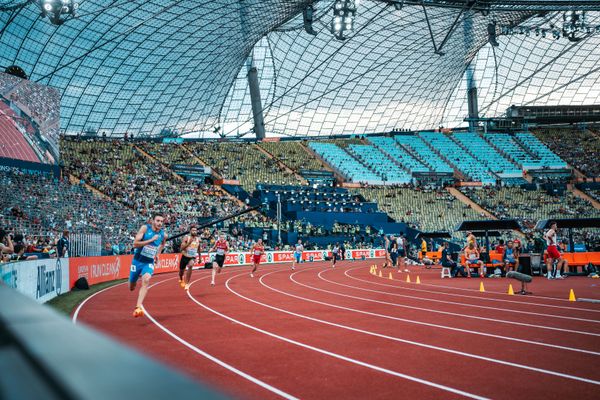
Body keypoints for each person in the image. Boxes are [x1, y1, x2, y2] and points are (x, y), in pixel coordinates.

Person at [130, 213, 166, 318]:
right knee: (131, 287)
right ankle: (133, 282)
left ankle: (138, 307)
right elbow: (135, 244)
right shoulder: (145, 228)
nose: (159, 223)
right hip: (137, 261)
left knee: (146, 280)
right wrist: (151, 240)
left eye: (161, 221)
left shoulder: (163, 234)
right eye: (158, 221)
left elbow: (163, 244)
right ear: (152, 221)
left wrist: (157, 254)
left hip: (148, 262)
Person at [179, 225, 200, 290]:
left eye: (195, 230)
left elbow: (199, 248)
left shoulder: (197, 239)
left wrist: (200, 257)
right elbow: (181, 249)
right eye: (193, 230)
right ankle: (181, 279)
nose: (194, 231)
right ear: (190, 231)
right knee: (181, 272)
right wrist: (189, 243)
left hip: (192, 257)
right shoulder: (186, 237)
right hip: (185, 256)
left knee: (191, 265)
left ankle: (187, 283)